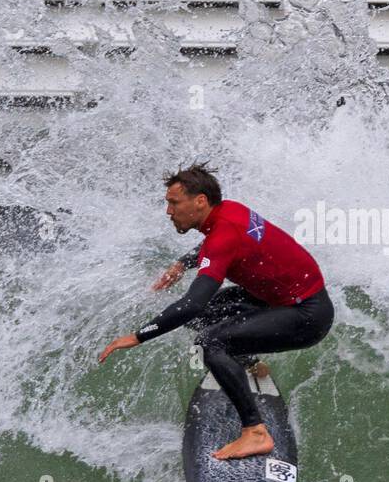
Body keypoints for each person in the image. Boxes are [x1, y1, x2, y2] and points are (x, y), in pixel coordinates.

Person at [99, 163, 334, 460]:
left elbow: (191, 303)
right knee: (204, 318)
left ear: (200, 201)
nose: (169, 211)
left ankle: (255, 433)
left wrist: (138, 336)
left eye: (174, 203)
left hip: (306, 315)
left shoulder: (222, 237)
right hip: (277, 297)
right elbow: (216, 245)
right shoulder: (229, 211)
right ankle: (248, 362)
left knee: (211, 342)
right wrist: (183, 263)